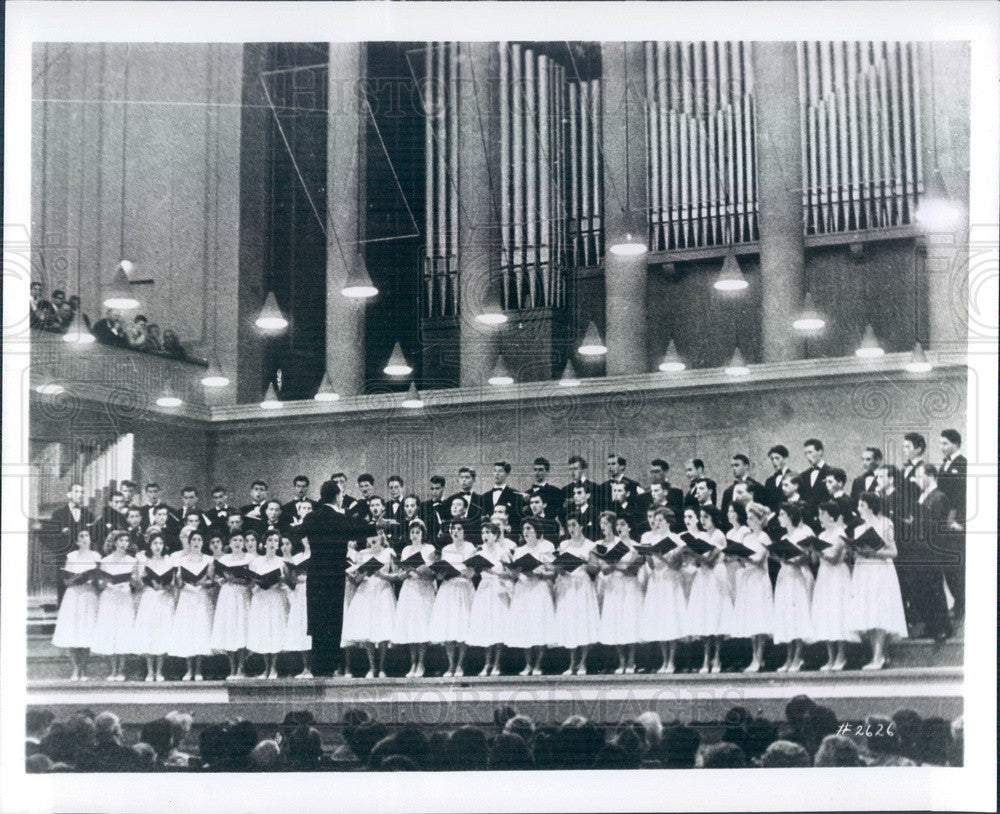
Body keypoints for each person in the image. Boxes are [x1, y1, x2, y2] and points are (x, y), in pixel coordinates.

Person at [298, 480, 383, 677]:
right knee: (333, 621)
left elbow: (297, 533)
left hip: (315, 575)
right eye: (342, 494)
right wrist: (377, 525)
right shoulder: (339, 518)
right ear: (336, 496)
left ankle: (317, 667)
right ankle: (330, 666)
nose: (342, 497)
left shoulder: (310, 517)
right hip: (334, 576)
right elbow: (358, 530)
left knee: (317, 620)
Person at [850, 492, 909, 669]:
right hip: (863, 571)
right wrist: (855, 550)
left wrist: (873, 552)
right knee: (867, 612)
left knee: (879, 612)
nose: (859, 508)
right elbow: (856, 552)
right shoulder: (859, 529)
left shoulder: (885, 523)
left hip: (880, 571)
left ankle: (878, 657)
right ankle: (877, 655)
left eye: (861, 505)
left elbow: (893, 552)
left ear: (870, 506)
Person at [505, 517, 557, 676]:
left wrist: (541, 573)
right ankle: (528, 664)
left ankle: (538, 665)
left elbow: (553, 572)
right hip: (523, 589)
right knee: (526, 626)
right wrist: (512, 572)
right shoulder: (519, 550)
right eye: (524, 529)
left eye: (529, 528)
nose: (526, 532)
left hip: (539, 589)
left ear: (536, 530)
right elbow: (513, 573)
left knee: (538, 625)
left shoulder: (545, 548)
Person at [342, 529, 396, 678]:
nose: (373, 538)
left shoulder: (388, 552)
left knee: (383, 629)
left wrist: (382, 574)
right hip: (366, 591)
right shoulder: (362, 554)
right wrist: (355, 574)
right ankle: (372, 668)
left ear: (381, 536)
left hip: (382, 590)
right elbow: (357, 579)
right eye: (370, 535)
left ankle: (382, 668)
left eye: (376, 535)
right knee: (367, 629)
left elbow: (396, 575)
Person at [638, 508, 687, 674]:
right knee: (660, 620)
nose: (656, 523)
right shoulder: (652, 539)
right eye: (655, 520)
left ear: (668, 521)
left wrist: (661, 557)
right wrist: (648, 555)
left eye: (659, 520)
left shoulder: (676, 539)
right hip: (656, 581)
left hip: (670, 581)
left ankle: (671, 661)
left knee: (671, 619)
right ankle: (664, 661)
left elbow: (677, 566)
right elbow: (651, 566)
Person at [427, 520, 477, 677]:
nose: (455, 531)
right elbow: (441, 573)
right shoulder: (446, 549)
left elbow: (471, 571)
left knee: (461, 625)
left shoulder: (470, 547)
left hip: (463, 588)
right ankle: (450, 665)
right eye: (453, 529)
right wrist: (440, 573)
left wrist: (466, 572)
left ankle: (460, 665)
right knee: (448, 626)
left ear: (464, 531)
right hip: (448, 589)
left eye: (459, 528)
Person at [811, 502, 857, 671]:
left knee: (838, 612)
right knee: (826, 615)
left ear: (831, 516)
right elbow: (816, 561)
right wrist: (813, 550)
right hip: (824, 576)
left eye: (822, 514)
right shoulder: (822, 534)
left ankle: (841, 656)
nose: (819, 517)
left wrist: (819, 550)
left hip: (837, 576)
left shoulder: (839, 533)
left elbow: (834, 558)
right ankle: (830, 657)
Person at [595, 512, 643, 674]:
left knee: (630, 621)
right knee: (617, 622)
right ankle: (621, 661)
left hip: (629, 586)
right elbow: (606, 571)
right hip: (614, 586)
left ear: (629, 527)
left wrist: (615, 564)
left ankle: (631, 660)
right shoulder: (610, 546)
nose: (619, 528)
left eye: (622, 524)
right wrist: (606, 562)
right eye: (618, 525)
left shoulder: (636, 546)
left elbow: (632, 570)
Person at [552, 513, 600, 675]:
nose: (571, 529)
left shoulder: (590, 545)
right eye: (569, 526)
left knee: (583, 622)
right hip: (567, 585)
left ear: (581, 526)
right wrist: (561, 567)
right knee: (570, 622)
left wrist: (584, 562)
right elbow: (557, 568)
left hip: (582, 585)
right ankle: (572, 663)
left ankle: (583, 663)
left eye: (574, 525)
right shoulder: (564, 544)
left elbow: (595, 568)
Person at [466, 522, 515, 676]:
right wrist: (471, 559)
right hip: (484, 589)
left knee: (498, 624)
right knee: (487, 625)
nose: (485, 535)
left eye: (488, 532)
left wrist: (493, 571)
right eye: (483, 532)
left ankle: (497, 663)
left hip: (498, 588)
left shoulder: (502, 552)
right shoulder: (479, 552)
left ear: (495, 535)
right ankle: (487, 663)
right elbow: (471, 573)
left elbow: (511, 574)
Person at [51, 530, 101, 681]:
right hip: (73, 596)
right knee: (72, 631)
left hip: (88, 595)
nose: (85, 539)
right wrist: (75, 578)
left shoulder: (96, 556)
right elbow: (66, 581)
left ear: (90, 539)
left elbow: (99, 578)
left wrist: (93, 580)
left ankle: (84, 669)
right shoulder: (71, 556)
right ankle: (76, 668)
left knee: (86, 631)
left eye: (87, 536)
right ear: (77, 541)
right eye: (81, 537)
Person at [731, 504, 775, 672]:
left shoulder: (764, 537)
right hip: (748, 580)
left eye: (751, 518)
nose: (748, 520)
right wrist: (738, 557)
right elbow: (744, 561)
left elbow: (758, 560)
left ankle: (759, 657)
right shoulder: (747, 538)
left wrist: (743, 556)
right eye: (748, 517)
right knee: (751, 619)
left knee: (760, 618)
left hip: (759, 580)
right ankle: (754, 656)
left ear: (759, 519)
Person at [771, 503, 814, 672]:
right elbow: (783, 559)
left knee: (798, 614)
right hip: (785, 576)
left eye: (782, 514)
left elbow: (806, 557)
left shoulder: (803, 533)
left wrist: (790, 559)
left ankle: (798, 657)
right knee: (787, 616)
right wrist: (775, 555)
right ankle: (789, 657)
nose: (779, 517)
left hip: (798, 576)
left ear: (790, 516)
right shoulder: (783, 538)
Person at [391, 520, 438, 678]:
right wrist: (405, 572)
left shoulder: (429, 548)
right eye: (412, 532)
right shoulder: (405, 550)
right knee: (411, 626)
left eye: (418, 532)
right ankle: (413, 663)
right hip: (409, 589)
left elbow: (432, 573)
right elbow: (401, 573)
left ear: (423, 533)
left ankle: (421, 663)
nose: (415, 535)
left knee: (422, 625)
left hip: (423, 588)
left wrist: (418, 569)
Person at [89, 530, 138, 681]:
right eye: (121, 540)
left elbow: (136, 583)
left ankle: (121, 670)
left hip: (124, 598)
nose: (124, 543)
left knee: (123, 631)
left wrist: (132, 581)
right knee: (110, 631)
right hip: (109, 599)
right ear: (115, 542)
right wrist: (103, 583)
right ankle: (112, 670)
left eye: (126, 541)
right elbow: (100, 583)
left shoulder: (132, 560)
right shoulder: (105, 561)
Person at [687, 506, 730, 673]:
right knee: (705, 616)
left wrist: (694, 554)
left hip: (715, 576)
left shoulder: (719, 535)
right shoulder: (701, 536)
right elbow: (699, 563)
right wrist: (692, 554)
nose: (702, 520)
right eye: (701, 517)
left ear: (713, 517)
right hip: (703, 577)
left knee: (716, 615)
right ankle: (705, 658)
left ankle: (717, 657)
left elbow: (711, 561)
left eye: (705, 517)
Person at [168, 530, 215, 681]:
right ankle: (189, 670)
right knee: (188, 631)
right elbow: (179, 583)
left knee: (200, 630)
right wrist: (179, 580)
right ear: (189, 542)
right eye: (193, 539)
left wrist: (204, 582)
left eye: (199, 539)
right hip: (187, 597)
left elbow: (211, 581)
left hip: (201, 597)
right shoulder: (182, 560)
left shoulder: (208, 559)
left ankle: (199, 670)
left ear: (202, 542)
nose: (196, 542)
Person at [130, 532, 176, 682]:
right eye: (155, 543)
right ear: (150, 545)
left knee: (162, 632)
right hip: (149, 598)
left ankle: (159, 670)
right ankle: (150, 671)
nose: (158, 546)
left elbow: (173, 582)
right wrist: (143, 579)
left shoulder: (169, 560)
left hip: (164, 598)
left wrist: (167, 584)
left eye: (160, 543)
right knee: (149, 632)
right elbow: (137, 584)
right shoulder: (143, 559)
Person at [247, 531, 290, 679]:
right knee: (264, 630)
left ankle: (274, 668)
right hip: (260, 598)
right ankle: (265, 668)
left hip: (275, 597)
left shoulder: (282, 562)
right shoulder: (255, 562)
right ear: (264, 543)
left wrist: (282, 580)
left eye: (275, 541)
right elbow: (250, 582)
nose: (272, 543)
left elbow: (288, 583)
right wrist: (256, 582)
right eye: (270, 540)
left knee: (275, 629)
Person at [210, 532, 253, 679]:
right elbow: (217, 577)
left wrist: (236, 579)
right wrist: (222, 579)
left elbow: (252, 580)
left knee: (241, 627)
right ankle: (232, 669)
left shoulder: (249, 558)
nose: (238, 542)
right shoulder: (224, 559)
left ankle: (241, 669)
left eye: (241, 540)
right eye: (235, 540)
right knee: (229, 629)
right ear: (230, 542)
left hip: (242, 594)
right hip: (228, 595)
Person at [282, 536, 313, 679]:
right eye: (305, 538)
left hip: (315, 593)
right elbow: (292, 582)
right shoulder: (297, 557)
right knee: (302, 628)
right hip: (300, 594)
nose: (308, 540)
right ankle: (305, 668)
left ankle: (316, 668)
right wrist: (288, 577)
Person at [797, 439, 832, 506]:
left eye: (810, 452)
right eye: (806, 453)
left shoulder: (831, 473)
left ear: (820, 452)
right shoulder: (803, 475)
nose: (808, 456)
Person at [763, 445, 792, 511]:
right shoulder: (769, 481)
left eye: (777, 458)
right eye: (772, 459)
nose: (774, 461)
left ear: (785, 458)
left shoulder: (793, 477)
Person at [418, 476, 447, 540]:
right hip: (428, 542)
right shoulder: (423, 506)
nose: (434, 492)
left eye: (437, 488)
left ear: (443, 488)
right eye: (432, 489)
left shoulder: (449, 505)